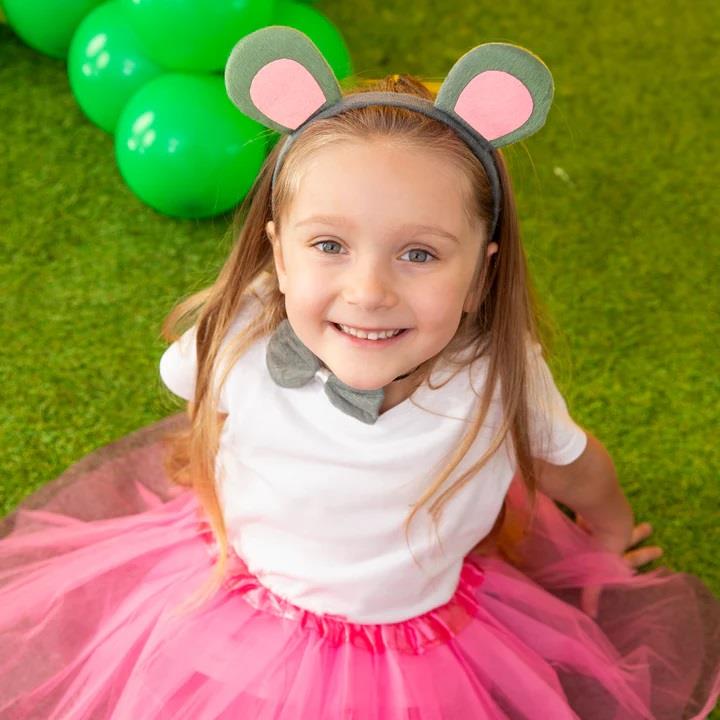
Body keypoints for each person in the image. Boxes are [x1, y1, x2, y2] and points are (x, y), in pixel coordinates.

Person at [1, 25, 719, 720]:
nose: (369, 291)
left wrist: (607, 529)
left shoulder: (498, 376)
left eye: (419, 254)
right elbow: (208, 412)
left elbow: (570, 460)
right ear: (279, 255)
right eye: (329, 245)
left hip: (417, 636)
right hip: (243, 598)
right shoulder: (237, 337)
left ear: (480, 274)